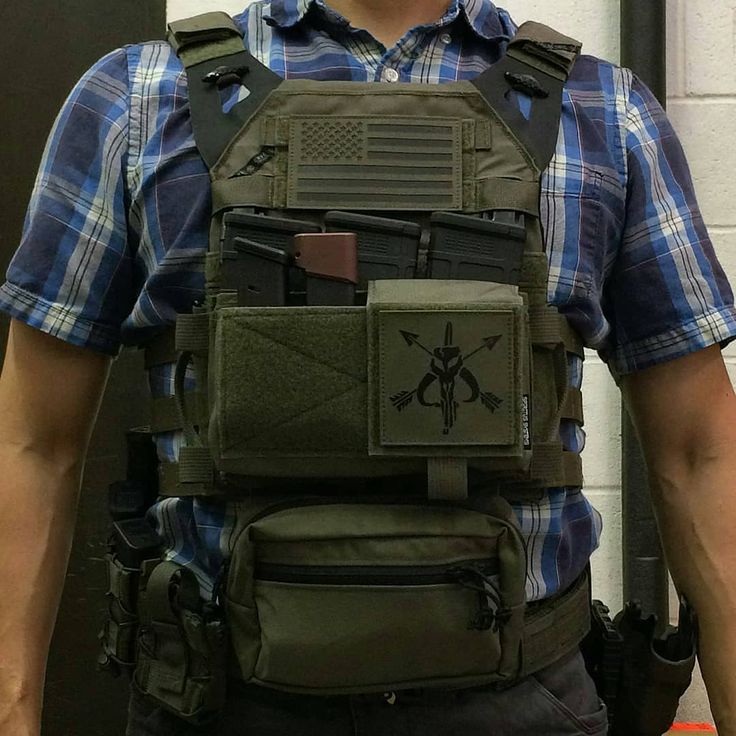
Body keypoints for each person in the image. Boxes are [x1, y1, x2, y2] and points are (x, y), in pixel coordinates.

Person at [1, 0, 736, 734]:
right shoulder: (135, 96)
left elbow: (703, 450)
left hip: (521, 695)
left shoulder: (604, 109)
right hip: (218, 695)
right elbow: (32, 441)